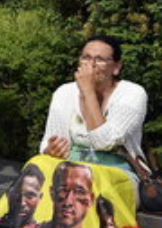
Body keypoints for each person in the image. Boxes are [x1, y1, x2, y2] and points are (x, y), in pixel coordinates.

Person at [39, 35, 148, 196]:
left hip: (117, 173)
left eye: (100, 60)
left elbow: (104, 142)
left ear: (116, 68)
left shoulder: (132, 94)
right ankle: (3, 221)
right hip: (71, 171)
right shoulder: (64, 92)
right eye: (86, 58)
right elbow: (50, 142)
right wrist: (52, 150)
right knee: (35, 166)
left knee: (81, 184)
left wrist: (88, 92)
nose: (91, 65)